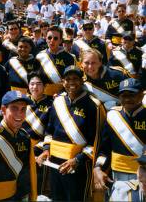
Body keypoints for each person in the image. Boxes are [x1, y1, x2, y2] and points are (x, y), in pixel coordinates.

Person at [37, 65, 105, 201]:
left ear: (82, 81)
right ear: (63, 82)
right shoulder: (57, 102)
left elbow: (97, 142)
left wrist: (77, 160)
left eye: (75, 79)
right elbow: (49, 130)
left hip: (78, 166)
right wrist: (46, 149)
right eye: (67, 79)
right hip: (54, 163)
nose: (71, 82)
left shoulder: (94, 106)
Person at [94, 78, 146, 193]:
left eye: (132, 95)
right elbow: (104, 150)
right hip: (116, 177)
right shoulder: (112, 115)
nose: (127, 99)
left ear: (142, 95)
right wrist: (98, 167)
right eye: (123, 95)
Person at [23, 71, 53, 195]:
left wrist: (43, 149)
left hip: (39, 151)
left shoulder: (52, 104)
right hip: (21, 147)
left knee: (38, 185)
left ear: (45, 86)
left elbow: (50, 130)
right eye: (32, 84)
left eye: (39, 84)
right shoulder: (22, 102)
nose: (35, 87)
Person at [35, 25, 76, 96]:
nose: (52, 41)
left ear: (60, 40)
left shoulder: (70, 57)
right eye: (49, 38)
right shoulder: (39, 56)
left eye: (55, 38)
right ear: (46, 39)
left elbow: (73, 80)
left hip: (63, 96)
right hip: (42, 96)